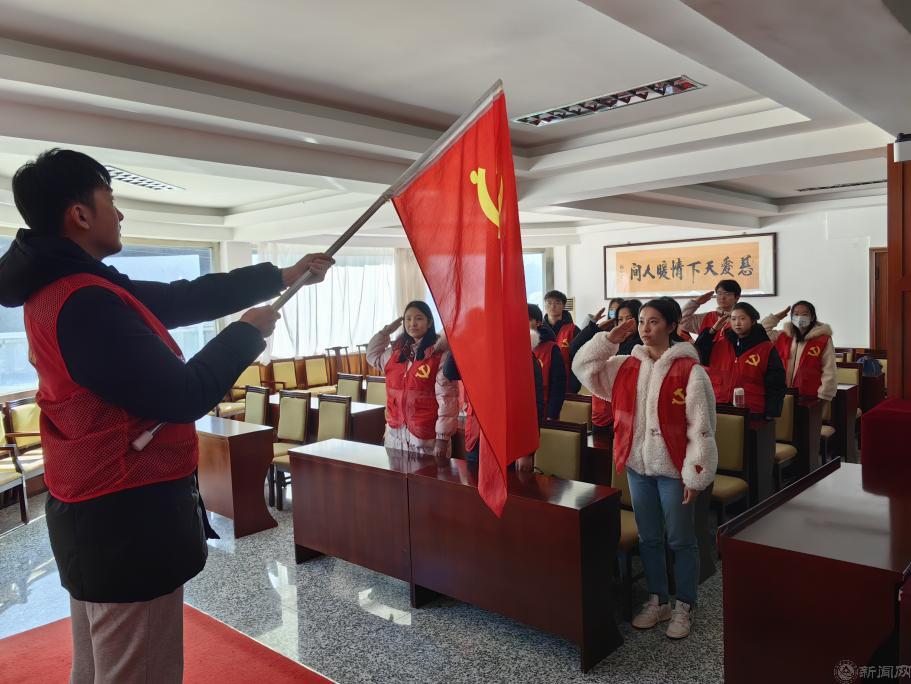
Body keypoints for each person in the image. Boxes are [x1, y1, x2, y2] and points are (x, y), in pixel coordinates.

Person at [0, 149, 334, 683]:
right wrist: (246, 334)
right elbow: (182, 394)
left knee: (100, 665)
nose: (119, 214)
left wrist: (281, 275)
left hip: (95, 509)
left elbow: (180, 299)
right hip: (125, 517)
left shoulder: (68, 286)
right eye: (110, 199)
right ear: (79, 214)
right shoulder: (84, 303)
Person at [573, 297, 717, 639]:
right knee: (649, 538)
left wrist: (696, 474)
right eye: (640, 322)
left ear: (671, 325)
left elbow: (702, 427)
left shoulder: (691, 371)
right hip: (638, 465)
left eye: (653, 322)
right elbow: (583, 367)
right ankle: (658, 600)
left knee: (680, 539)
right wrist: (608, 339)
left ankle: (685, 604)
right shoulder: (625, 365)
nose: (644, 328)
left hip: (674, 469)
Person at [366, 301, 459, 457]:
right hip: (395, 437)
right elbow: (372, 355)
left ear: (429, 322)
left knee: (428, 473)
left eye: (418, 318)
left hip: (426, 440)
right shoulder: (395, 353)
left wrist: (442, 438)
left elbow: (447, 399)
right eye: (408, 319)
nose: (412, 324)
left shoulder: (439, 356)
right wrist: (385, 332)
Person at [442, 341, 544, 470]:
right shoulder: (477, 350)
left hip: (509, 440)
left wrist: (526, 452)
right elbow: (450, 371)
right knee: (474, 479)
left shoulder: (523, 356)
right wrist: (461, 336)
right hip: (477, 436)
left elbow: (533, 408)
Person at [695, 302, 786, 418]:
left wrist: (770, 414)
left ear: (753, 321)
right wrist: (712, 331)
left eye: (742, 319)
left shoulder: (765, 348)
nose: (737, 323)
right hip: (718, 407)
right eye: (733, 319)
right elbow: (698, 354)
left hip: (752, 411)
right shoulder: (720, 344)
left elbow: (776, 384)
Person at [569, 299, 642, 433]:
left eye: (629, 318)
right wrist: (595, 328)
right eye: (620, 319)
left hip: (627, 415)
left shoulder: (642, 347)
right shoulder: (609, 342)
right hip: (602, 414)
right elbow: (574, 349)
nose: (624, 323)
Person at [761, 301, 837, 402]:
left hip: (810, 395)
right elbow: (761, 333)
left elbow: (829, 368)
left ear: (812, 317)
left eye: (804, 314)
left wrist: (824, 395)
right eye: (796, 314)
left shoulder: (823, 339)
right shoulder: (782, 336)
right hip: (783, 393)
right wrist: (776, 318)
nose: (800, 318)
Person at [529, 303, 566, 420]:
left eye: (528, 319)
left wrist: (551, 414)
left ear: (539, 323)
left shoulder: (551, 349)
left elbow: (558, 386)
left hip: (544, 413)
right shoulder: (514, 347)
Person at [541, 289, 581, 391]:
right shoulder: (538, 330)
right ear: (544, 305)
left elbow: (579, 358)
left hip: (567, 383)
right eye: (549, 302)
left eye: (557, 303)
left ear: (563, 306)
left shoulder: (573, 329)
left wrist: (575, 383)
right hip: (543, 382)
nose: (553, 306)